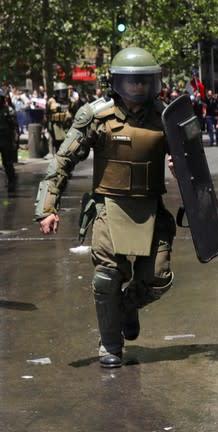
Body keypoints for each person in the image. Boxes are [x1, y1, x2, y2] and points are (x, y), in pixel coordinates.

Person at [36, 47, 176, 369]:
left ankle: (126, 308)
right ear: (116, 83)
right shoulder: (96, 116)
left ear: (154, 83)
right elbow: (63, 160)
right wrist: (48, 207)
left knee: (159, 277)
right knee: (107, 277)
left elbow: (193, 167)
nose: (138, 89)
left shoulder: (166, 117)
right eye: (131, 82)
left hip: (151, 210)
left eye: (144, 82)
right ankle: (111, 344)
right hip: (108, 208)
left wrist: (179, 165)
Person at [46, 81, 75, 154]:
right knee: (58, 142)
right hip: (56, 125)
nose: (62, 94)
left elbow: (73, 111)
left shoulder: (69, 101)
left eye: (64, 92)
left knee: (68, 141)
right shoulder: (51, 101)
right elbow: (47, 112)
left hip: (67, 124)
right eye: (60, 92)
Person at [0, 88, 19, 192]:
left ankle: (11, 181)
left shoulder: (8, 110)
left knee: (7, 163)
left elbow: (15, 126)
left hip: (5, 140)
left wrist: (15, 141)